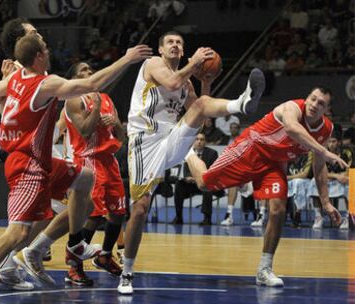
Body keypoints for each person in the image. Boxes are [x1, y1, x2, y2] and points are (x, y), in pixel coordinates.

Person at [0, 34, 152, 303]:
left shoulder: (17, 78)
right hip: (26, 165)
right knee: (18, 232)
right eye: (45, 49)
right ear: (38, 56)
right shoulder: (44, 83)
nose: (49, 51)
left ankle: (76, 243)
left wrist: (8, 83)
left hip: (42, 161)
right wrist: (127, 59)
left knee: (85, 177)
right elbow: (91, 83)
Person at [119, 30, 265, 294]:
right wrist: (196, 62)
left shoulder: (185, 82)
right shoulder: (153, 65)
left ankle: (242, 104)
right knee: (140, 209)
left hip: (171, 138)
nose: (175, 45)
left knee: (200, 106)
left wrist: (206, 80)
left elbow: (202, 112)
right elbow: (172, 83)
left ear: (183, 51)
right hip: (145, 142)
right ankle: (127, 272)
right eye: (170, 42)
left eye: (179, 43)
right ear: (161, 49)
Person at [185, 87, 348, 287]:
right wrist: (323, 150)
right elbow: (291, 128)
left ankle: (264, 268)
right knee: (204, 184)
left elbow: (319, 165)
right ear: (307, 98)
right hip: (251, 149)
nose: (314, 104)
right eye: (312, 99)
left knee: (278, 210)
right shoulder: (292, 107)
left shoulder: (326, 129)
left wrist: (326, 202)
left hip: (274, 164)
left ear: (328, 110)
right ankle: (187, 150)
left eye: (321, 103)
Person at [57, 61, 126, 285]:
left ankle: (105, 256)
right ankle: (73, 266)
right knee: (93, 216)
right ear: (75, 79)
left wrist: (116, 122)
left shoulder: (106, 98)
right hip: (87, 160)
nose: (89, 73)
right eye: (83, 71)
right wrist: (95, 109)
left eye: (90, 70)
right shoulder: (74, 99)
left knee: (118, 213)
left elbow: (121, 136)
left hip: (109, 160)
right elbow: (85, 132)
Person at [172, 132, 219, 225]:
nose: (199, 142)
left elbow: (212, 171)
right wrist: (186, 178)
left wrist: (197, 178)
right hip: (192, 185)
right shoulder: (189, 153)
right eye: (197, 139)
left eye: (202, 139)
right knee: (179, 185)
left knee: (207, 187)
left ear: (205, 142)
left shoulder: (212, 153)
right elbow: (186, 171)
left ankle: (207, 218)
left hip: (205, 184)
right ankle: (178, 217)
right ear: (193, 142)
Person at [310, 130, 353, 230]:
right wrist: (336, 176)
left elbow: (350, 170)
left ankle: (348, 217)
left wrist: (343, 176)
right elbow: (317, 171)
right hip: (329, 179)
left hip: (343, 180)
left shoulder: (347, 152)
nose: (331, 144)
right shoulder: (321, 153)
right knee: (313, 182)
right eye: (329, 142)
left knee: (352, 182)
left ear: (339, 142)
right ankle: (318, 217)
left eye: (333, 141)